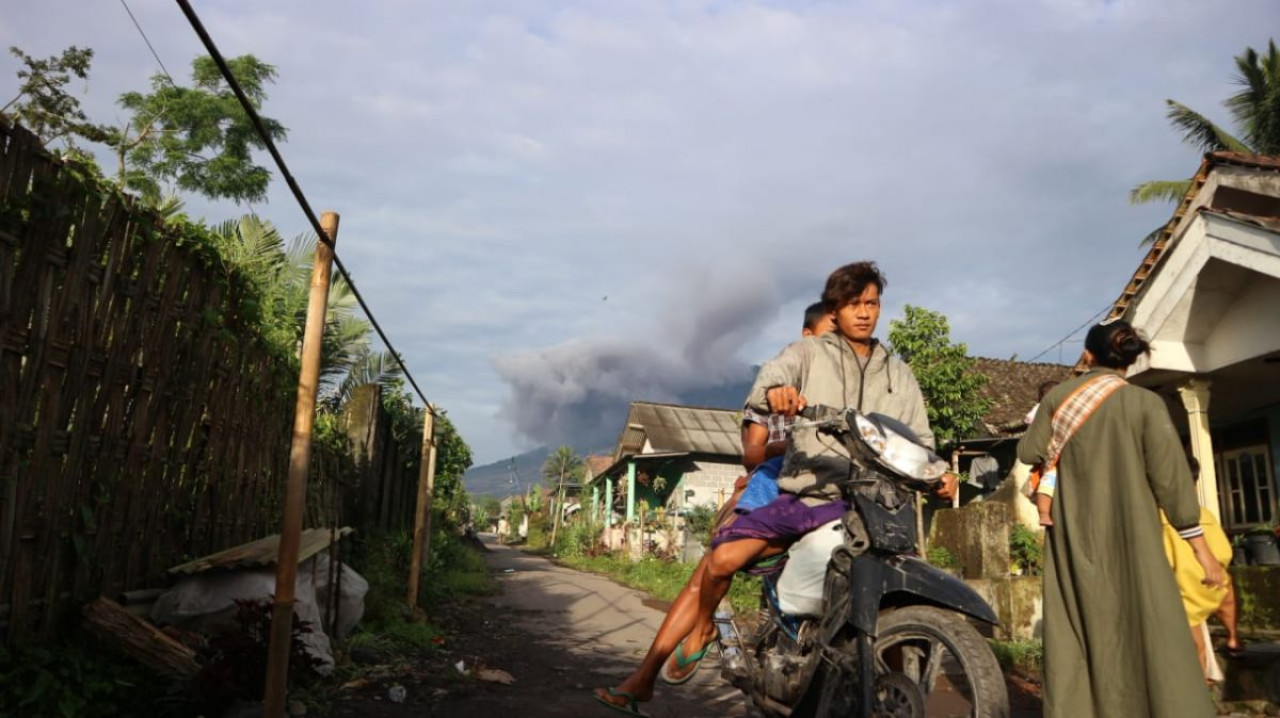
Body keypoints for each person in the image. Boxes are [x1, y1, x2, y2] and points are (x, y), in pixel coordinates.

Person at [595, 261, 956, 716]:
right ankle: (693, 637)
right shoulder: (809, 354)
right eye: (853, 304)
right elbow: (768, 384)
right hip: (810, 494)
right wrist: (777, 394)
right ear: (834, 311)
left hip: (877, 503)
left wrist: (940, 472)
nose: (864, 313)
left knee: (899, 594)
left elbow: (921, 441)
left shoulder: (898, 374)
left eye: (872, 304)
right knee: (721, 559)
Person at [1017, 320, 1227, 718]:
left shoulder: (1058, 399)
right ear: (1129, 361)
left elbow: (1029, 451)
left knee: (1077, 632)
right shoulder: (1145, 404)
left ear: (1087, 354)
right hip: (1135, 541)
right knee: (1148, 627)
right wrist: (1203, 552)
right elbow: (1173, 486)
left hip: (1072, 540)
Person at [1163, 456, 1239, 682]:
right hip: (1208, 585)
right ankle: (1233, 637)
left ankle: (1200, 685)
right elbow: (1224, 552)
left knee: (1196, 644)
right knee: (1227, 593)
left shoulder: (1158, 514)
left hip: (1184, 590)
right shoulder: (1203, 513)